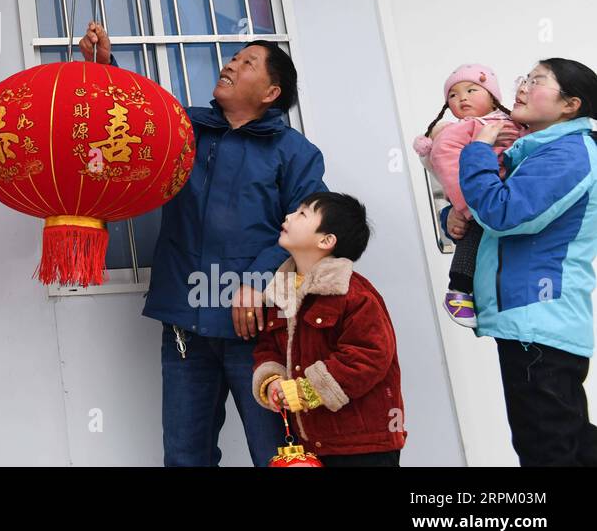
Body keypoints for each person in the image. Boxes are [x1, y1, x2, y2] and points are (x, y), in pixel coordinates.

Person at [80, 22, 326, 466]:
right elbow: (135, 118)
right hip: (184, 326)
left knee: (276, 452)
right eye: (234, 56)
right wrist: (105, 67)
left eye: (248, 62)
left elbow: (307, 231)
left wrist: (255, 282)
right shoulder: (185, 128)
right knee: (184, 455)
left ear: (271, 93)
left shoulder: (295, 152)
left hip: (257, 328)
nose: (231, 62)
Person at [446, 57, 597, 466]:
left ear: (571, 105)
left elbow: (506, 213)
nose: (523, 87)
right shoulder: (536, 152)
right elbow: (490, 215)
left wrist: (476, 151)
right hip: (532, 323)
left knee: (548, 451)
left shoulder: (568, 154)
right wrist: (454, 215)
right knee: (571, 445)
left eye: (537, 80)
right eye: (524, 78)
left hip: (539, 322)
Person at [253, 191, 406, 466]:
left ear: (326, 240)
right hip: (314, 443)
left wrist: (306, 391)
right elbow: (267, 348)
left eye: (302, 214)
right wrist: (272, 380)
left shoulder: (354, 294)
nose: (288, 216)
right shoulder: (280, 293)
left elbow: (369, 356)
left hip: (362, 444)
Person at [410, 64, 523, 327]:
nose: (462, 98)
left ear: (493, 96)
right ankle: (459, 290)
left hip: (503, 195)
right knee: (471, 236)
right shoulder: (465, 128)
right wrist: (465, 205)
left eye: (472, 90)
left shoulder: (514, 122)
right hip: (476, 199)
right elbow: (445, 158)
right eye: (453, 95)